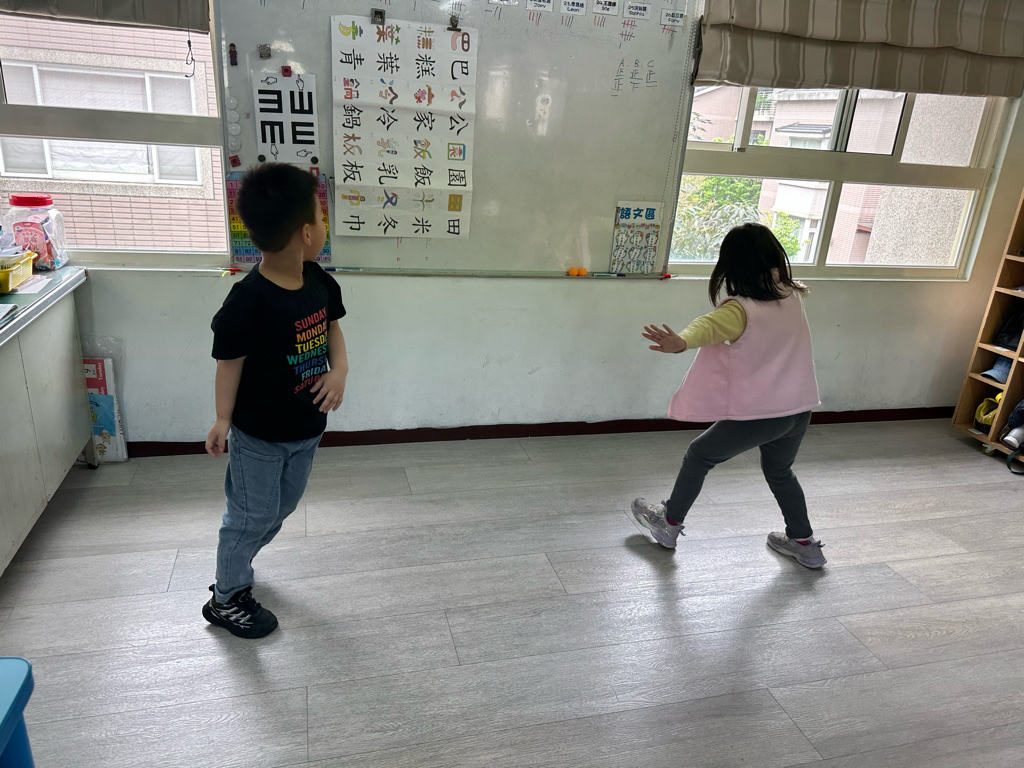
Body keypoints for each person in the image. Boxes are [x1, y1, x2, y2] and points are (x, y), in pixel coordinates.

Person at [202, 163, 348, 637]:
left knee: (280, 509)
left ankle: (238, 564)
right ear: (306, 232)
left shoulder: (318, 281)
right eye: (321, 218)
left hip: (306, 430)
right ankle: (226, 597)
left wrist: (340, 370)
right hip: (259, 437)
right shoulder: (248, 300)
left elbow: (332, 329)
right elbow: (229, 363)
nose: (323, 226)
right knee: (249, 517)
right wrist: (222, 419)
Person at [632, 222, 825, 568]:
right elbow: (713, 325)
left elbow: (708, 326)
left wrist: (681, 342)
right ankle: (804, 543)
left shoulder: (740, 309)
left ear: (731, 265)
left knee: (699, 455)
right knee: (780, 472)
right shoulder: (791, 295)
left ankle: (668, 523)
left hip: (764, 414)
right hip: (798, 410)